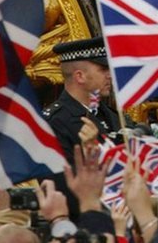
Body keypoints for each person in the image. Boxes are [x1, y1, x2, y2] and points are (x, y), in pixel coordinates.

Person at [43, 37, 120, 215]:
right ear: (80, 76)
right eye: (103, 69)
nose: (110, 75)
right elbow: (62, 189)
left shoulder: (111, 115)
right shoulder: (53, 122)